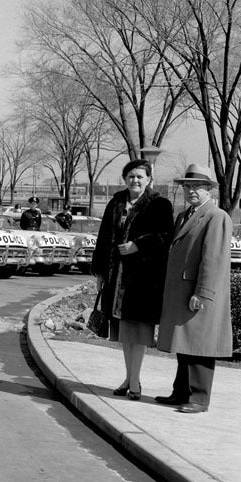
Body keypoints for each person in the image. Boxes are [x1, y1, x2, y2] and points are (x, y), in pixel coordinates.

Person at [91, 159, 173, 401]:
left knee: (137, 333)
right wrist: (100, 273)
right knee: (125, 335)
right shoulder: (116, 201)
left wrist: (139, 245)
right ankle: (129, 378)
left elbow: (166, 237)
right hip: (117, 279)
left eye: (140, 176)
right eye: (131, 176)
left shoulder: (159, 204)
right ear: (124, 178)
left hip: (143, 282)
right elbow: (103, 238)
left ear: (149, 179)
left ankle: (135, 381)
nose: (135, 180)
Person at [156, 164, 232, 414]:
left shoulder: (216, 216)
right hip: (182, 291)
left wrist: (203, 292)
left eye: (197, 186)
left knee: (199, 346)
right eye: (187, 186)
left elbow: (214, 260)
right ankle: (181, 392)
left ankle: (199, 398)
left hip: (198, 293)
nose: (191, 190)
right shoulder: (185, 215)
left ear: (209, 189)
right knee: (184, 344)